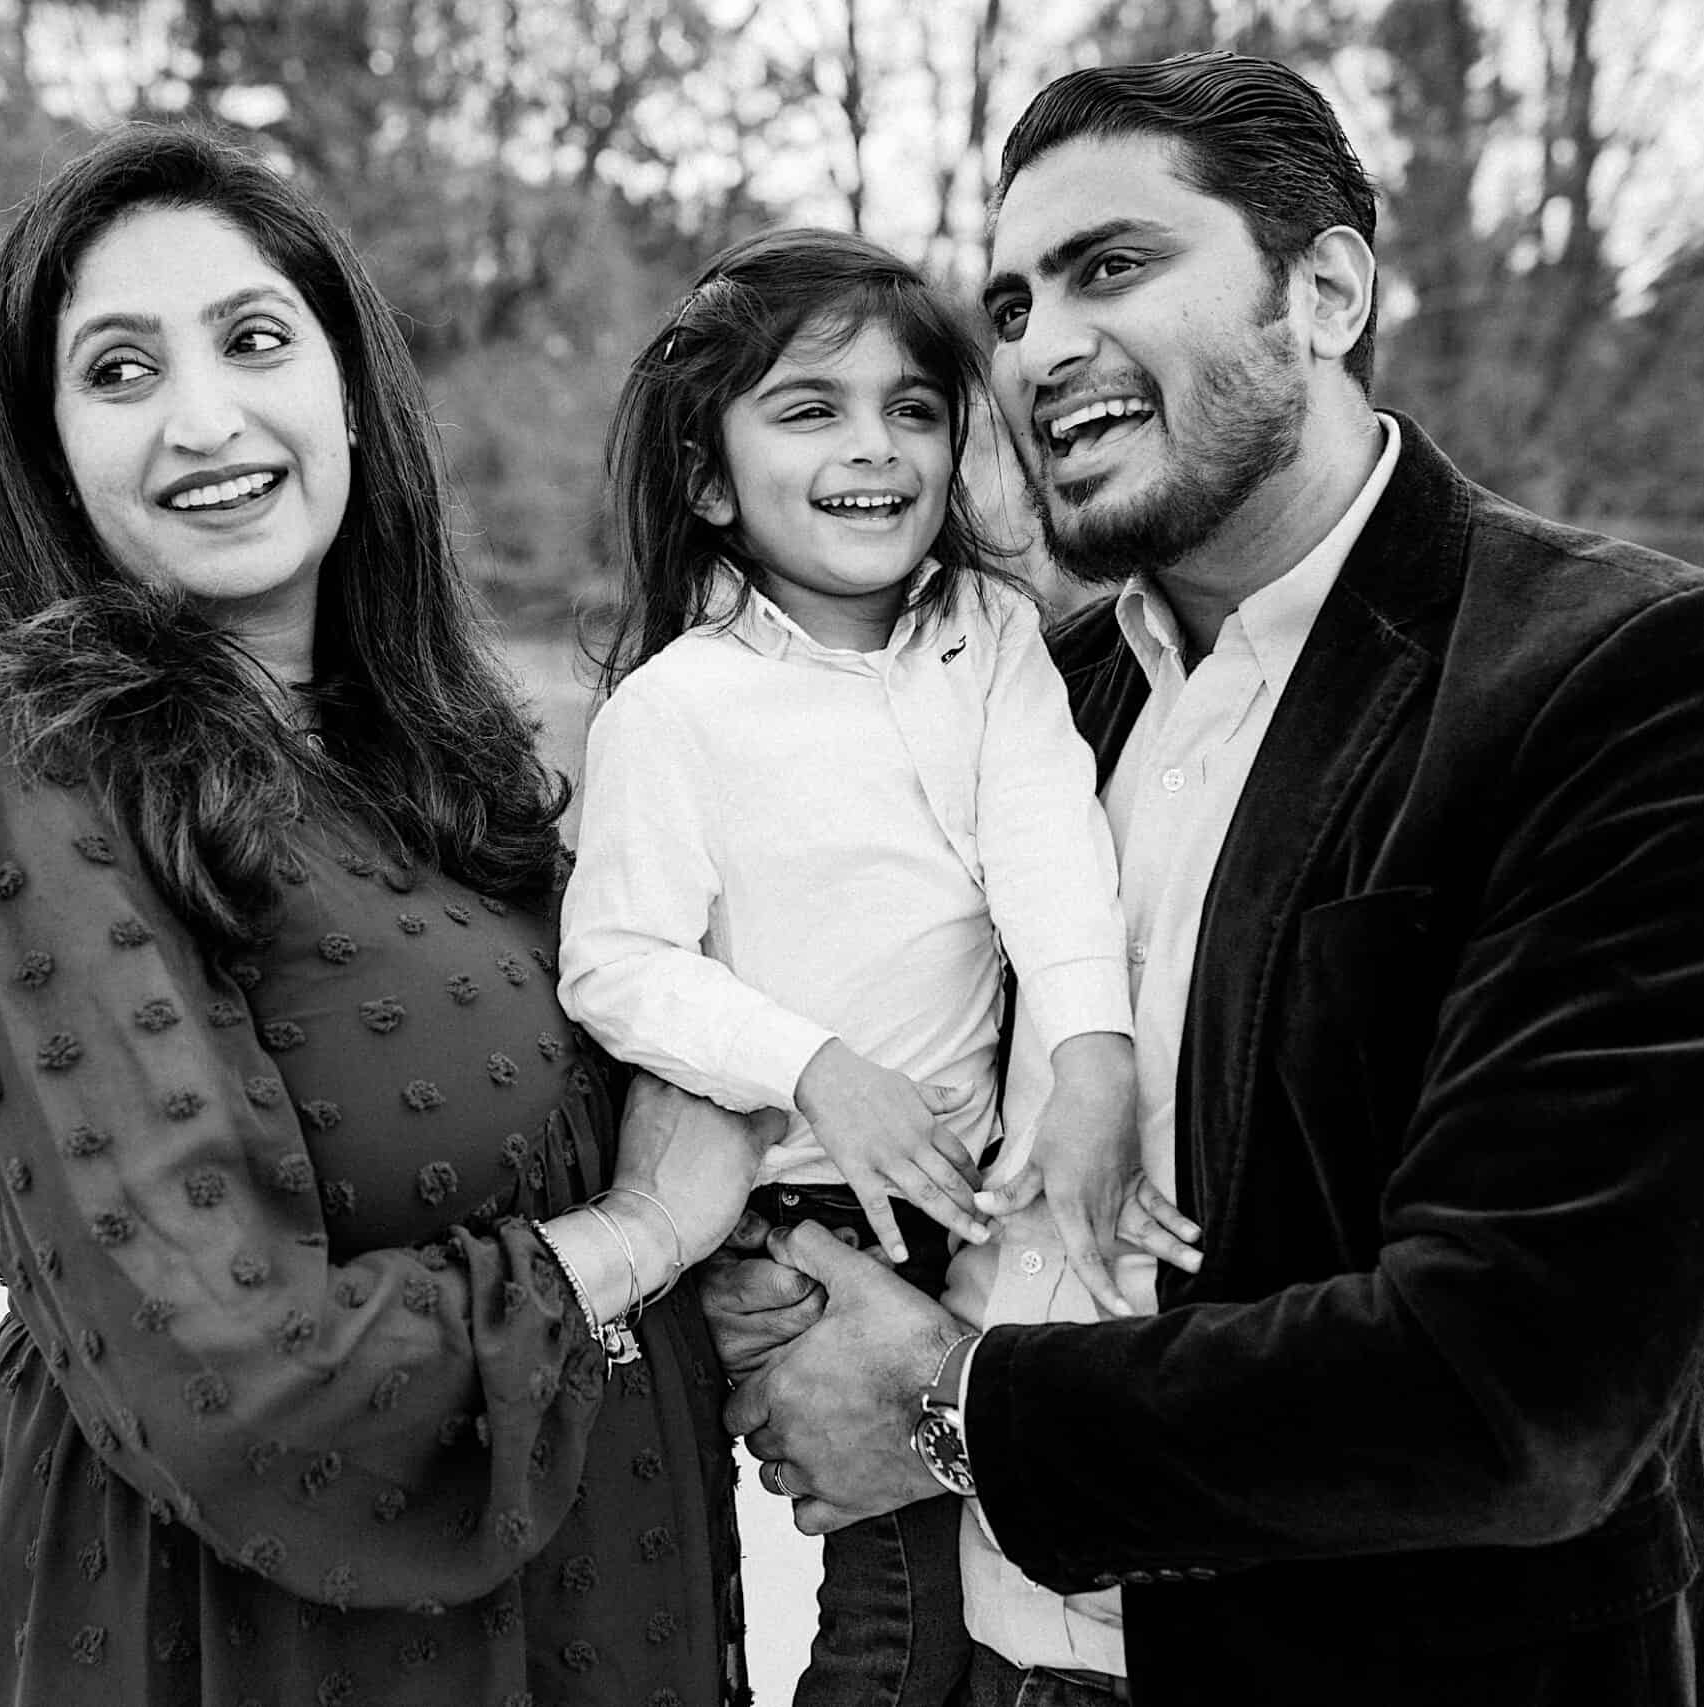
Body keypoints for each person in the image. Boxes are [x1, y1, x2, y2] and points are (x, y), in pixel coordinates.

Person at [708, 51, 1704, 1707]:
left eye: (1116, 266)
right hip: (965, 1664)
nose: (1044, 349)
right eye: (1013, 306)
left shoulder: (1638, 687)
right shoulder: (1031, 701)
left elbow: (1518, 1385)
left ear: (1323, 289)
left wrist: (954, 1410)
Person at [0, 125, 763, 1707]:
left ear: (348, 386)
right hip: (227, 1635)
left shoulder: (447, 759)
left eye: (255, 340)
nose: (206, 420)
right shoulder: (32, 771)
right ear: (46, 448)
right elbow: (226, 1371)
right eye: (120, 371)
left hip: (589, 1607)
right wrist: (641, 1239)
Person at [557, 228, 1197, 1707]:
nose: (877, 446)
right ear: (712, 482)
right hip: (800, 1209)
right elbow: (619, 965)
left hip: (970, 1184)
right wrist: (814, 1065)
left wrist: (1095, 1053)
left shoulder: (988, 634)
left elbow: (1048, 845)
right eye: (812, 408)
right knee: (903, 1614)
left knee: (998, 1577)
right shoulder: (679, 711)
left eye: (913, 408)